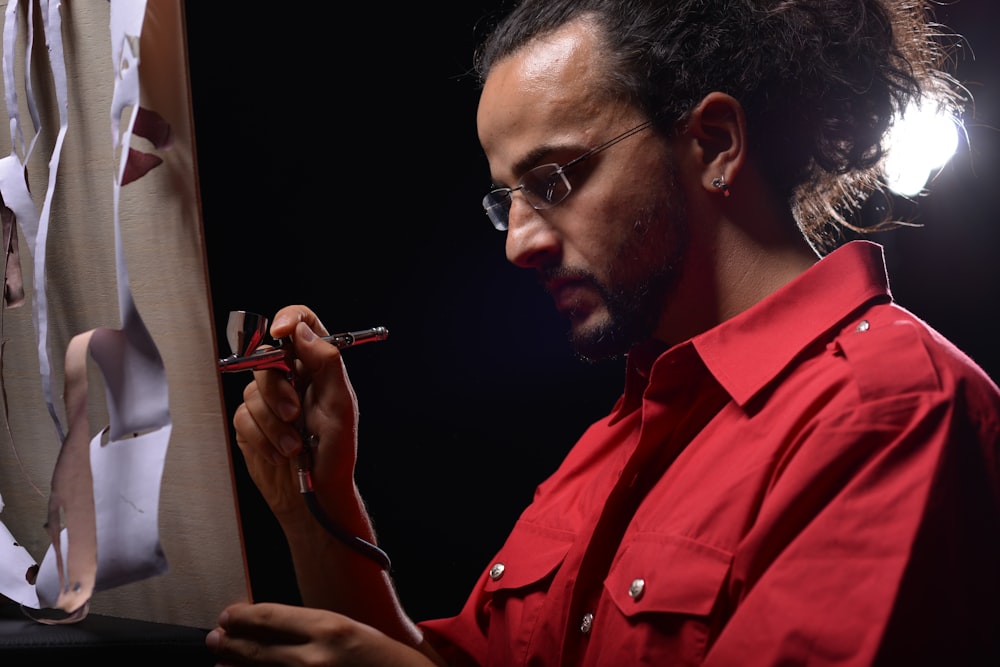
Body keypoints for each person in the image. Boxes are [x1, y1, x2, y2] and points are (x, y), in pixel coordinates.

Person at [205, 0, 1000, 664]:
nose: (519, 242)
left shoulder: (891, 410)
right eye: (505, 199)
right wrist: (316, 497)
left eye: (552, 181)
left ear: (715, 143)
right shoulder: (619, 438)